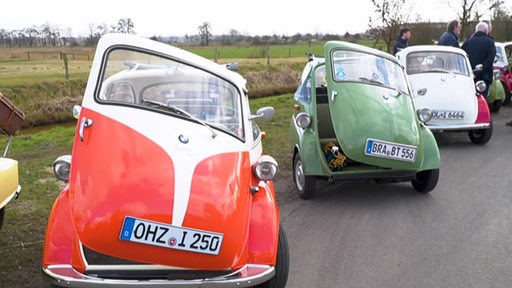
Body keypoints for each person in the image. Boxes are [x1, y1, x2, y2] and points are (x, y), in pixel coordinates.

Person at [461, 22, 496, 98]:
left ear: (476, 31)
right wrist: (482, 68)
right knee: (482, 99)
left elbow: (462, 60)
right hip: (484, 77)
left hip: (470, 76)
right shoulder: (490, 42)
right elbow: (490, 60)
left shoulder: (467, 43)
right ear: (486, 31)